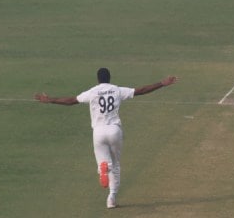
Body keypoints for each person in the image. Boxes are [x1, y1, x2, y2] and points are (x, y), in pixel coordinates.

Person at [35, 68, 178, 209]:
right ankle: (111, 198)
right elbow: (140, 90)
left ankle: (102, 169)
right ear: (110, 78)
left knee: (104, 162)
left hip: (98, 132)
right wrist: (161, 83)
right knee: (115, 165)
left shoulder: (92, 92)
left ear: (98, 79)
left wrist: (50, 99)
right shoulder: (116, 90)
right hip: (114, 130)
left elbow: (71, 101)